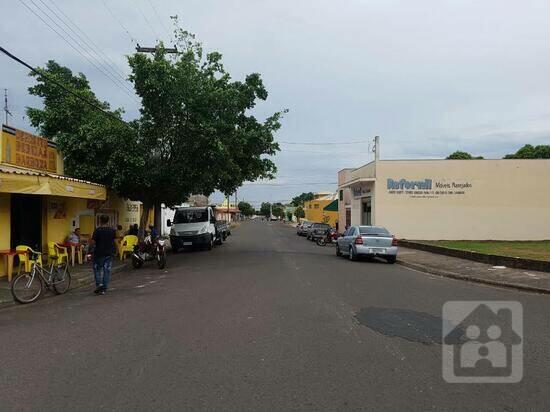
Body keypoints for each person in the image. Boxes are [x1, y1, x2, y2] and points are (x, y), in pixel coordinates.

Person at [90, 215, 116, 295]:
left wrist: (90, 247)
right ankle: (104, 289)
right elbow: (114, 241)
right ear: (108, 220)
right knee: (106, 271)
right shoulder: (112, 230)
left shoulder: (97, 230)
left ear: (100, 220)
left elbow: (93, 242)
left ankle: (99, 284)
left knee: (97, 269)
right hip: (109, 254)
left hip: (98, 253)